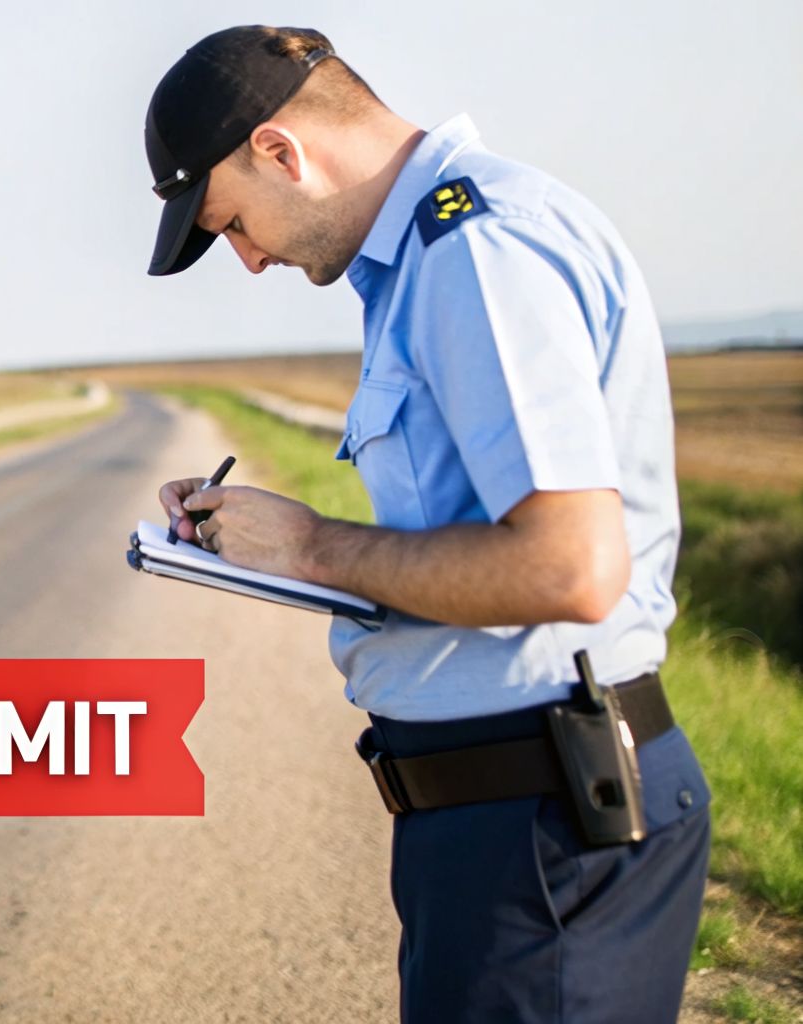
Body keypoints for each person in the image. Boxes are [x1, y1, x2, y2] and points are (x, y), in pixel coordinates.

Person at [144, 26, 708, 1023]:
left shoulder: (472, 253)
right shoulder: (428, 263)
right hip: (508, 820)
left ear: (280, 151)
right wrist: (281, 549)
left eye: (228, 222)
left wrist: (314, 545)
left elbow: (567, 566)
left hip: (541, 827)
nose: (245, 260)